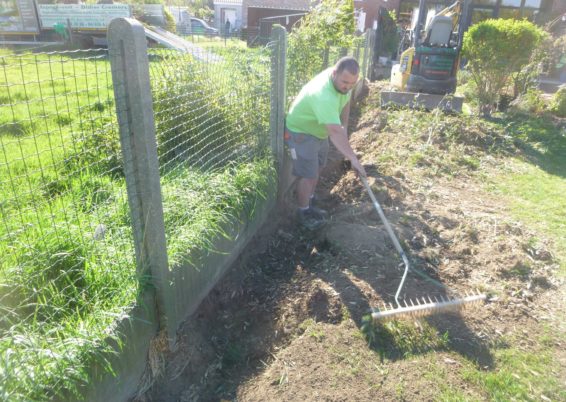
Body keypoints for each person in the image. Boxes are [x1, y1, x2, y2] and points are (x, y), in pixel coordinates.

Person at [285, 56, 367, 230]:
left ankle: (310, 199)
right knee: (308, 175)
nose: (348, 87)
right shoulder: (323, 94)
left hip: (319, 130)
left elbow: (345, 103)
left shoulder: (344, 83)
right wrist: (352, 158)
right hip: (302, 133)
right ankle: (303, 212)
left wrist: (345, 125)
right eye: (345, 82)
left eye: (352, 84)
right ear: (335, 73)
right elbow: (335, 132)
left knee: (319, 167)